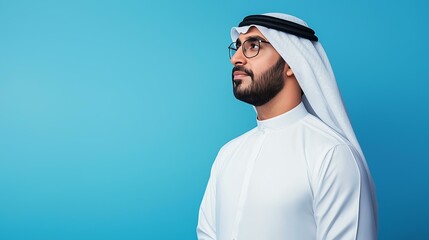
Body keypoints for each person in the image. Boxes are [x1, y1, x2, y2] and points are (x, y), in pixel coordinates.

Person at [197, 13, 378, 240]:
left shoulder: (332, 155)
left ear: (292, 63)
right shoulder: (228, 154)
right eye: (238, 47)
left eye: (253, 46)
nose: (236, 59)